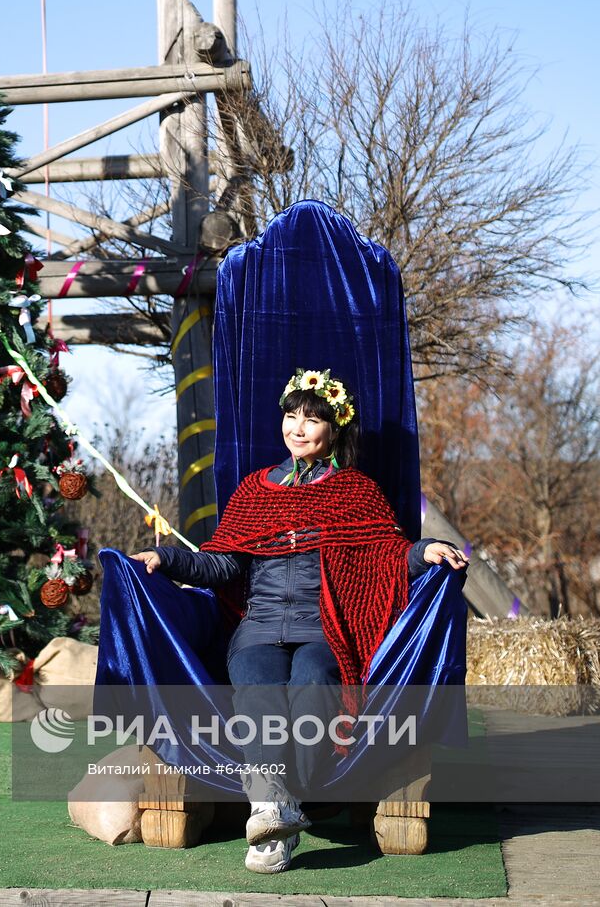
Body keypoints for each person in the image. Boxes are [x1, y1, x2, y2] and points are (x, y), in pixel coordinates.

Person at [130, 368, 465, 873]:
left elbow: (388, 555)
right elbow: (222, 562)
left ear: (334, 429)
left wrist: (427, 551)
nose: (298, 427)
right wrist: (169, 560)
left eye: (312, 419)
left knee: (314, 685)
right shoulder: (253, 490)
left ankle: (291, 801)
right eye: (291, 416)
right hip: (259, 628)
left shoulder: (355, 491)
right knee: (259, 691)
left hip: (323, 628)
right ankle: (270, 813)